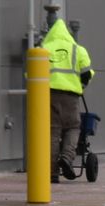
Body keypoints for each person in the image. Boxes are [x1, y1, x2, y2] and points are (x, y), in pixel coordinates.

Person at [40, 9, 95, 180]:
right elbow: (87, 73)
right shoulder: (78, 50)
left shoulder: (43, 48)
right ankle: (67, 158)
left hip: (49, 95)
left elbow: (31, 74)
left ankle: (52, 172)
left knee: (52, 132)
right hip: (71, 96)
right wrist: (81, 86)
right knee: (72, 128)